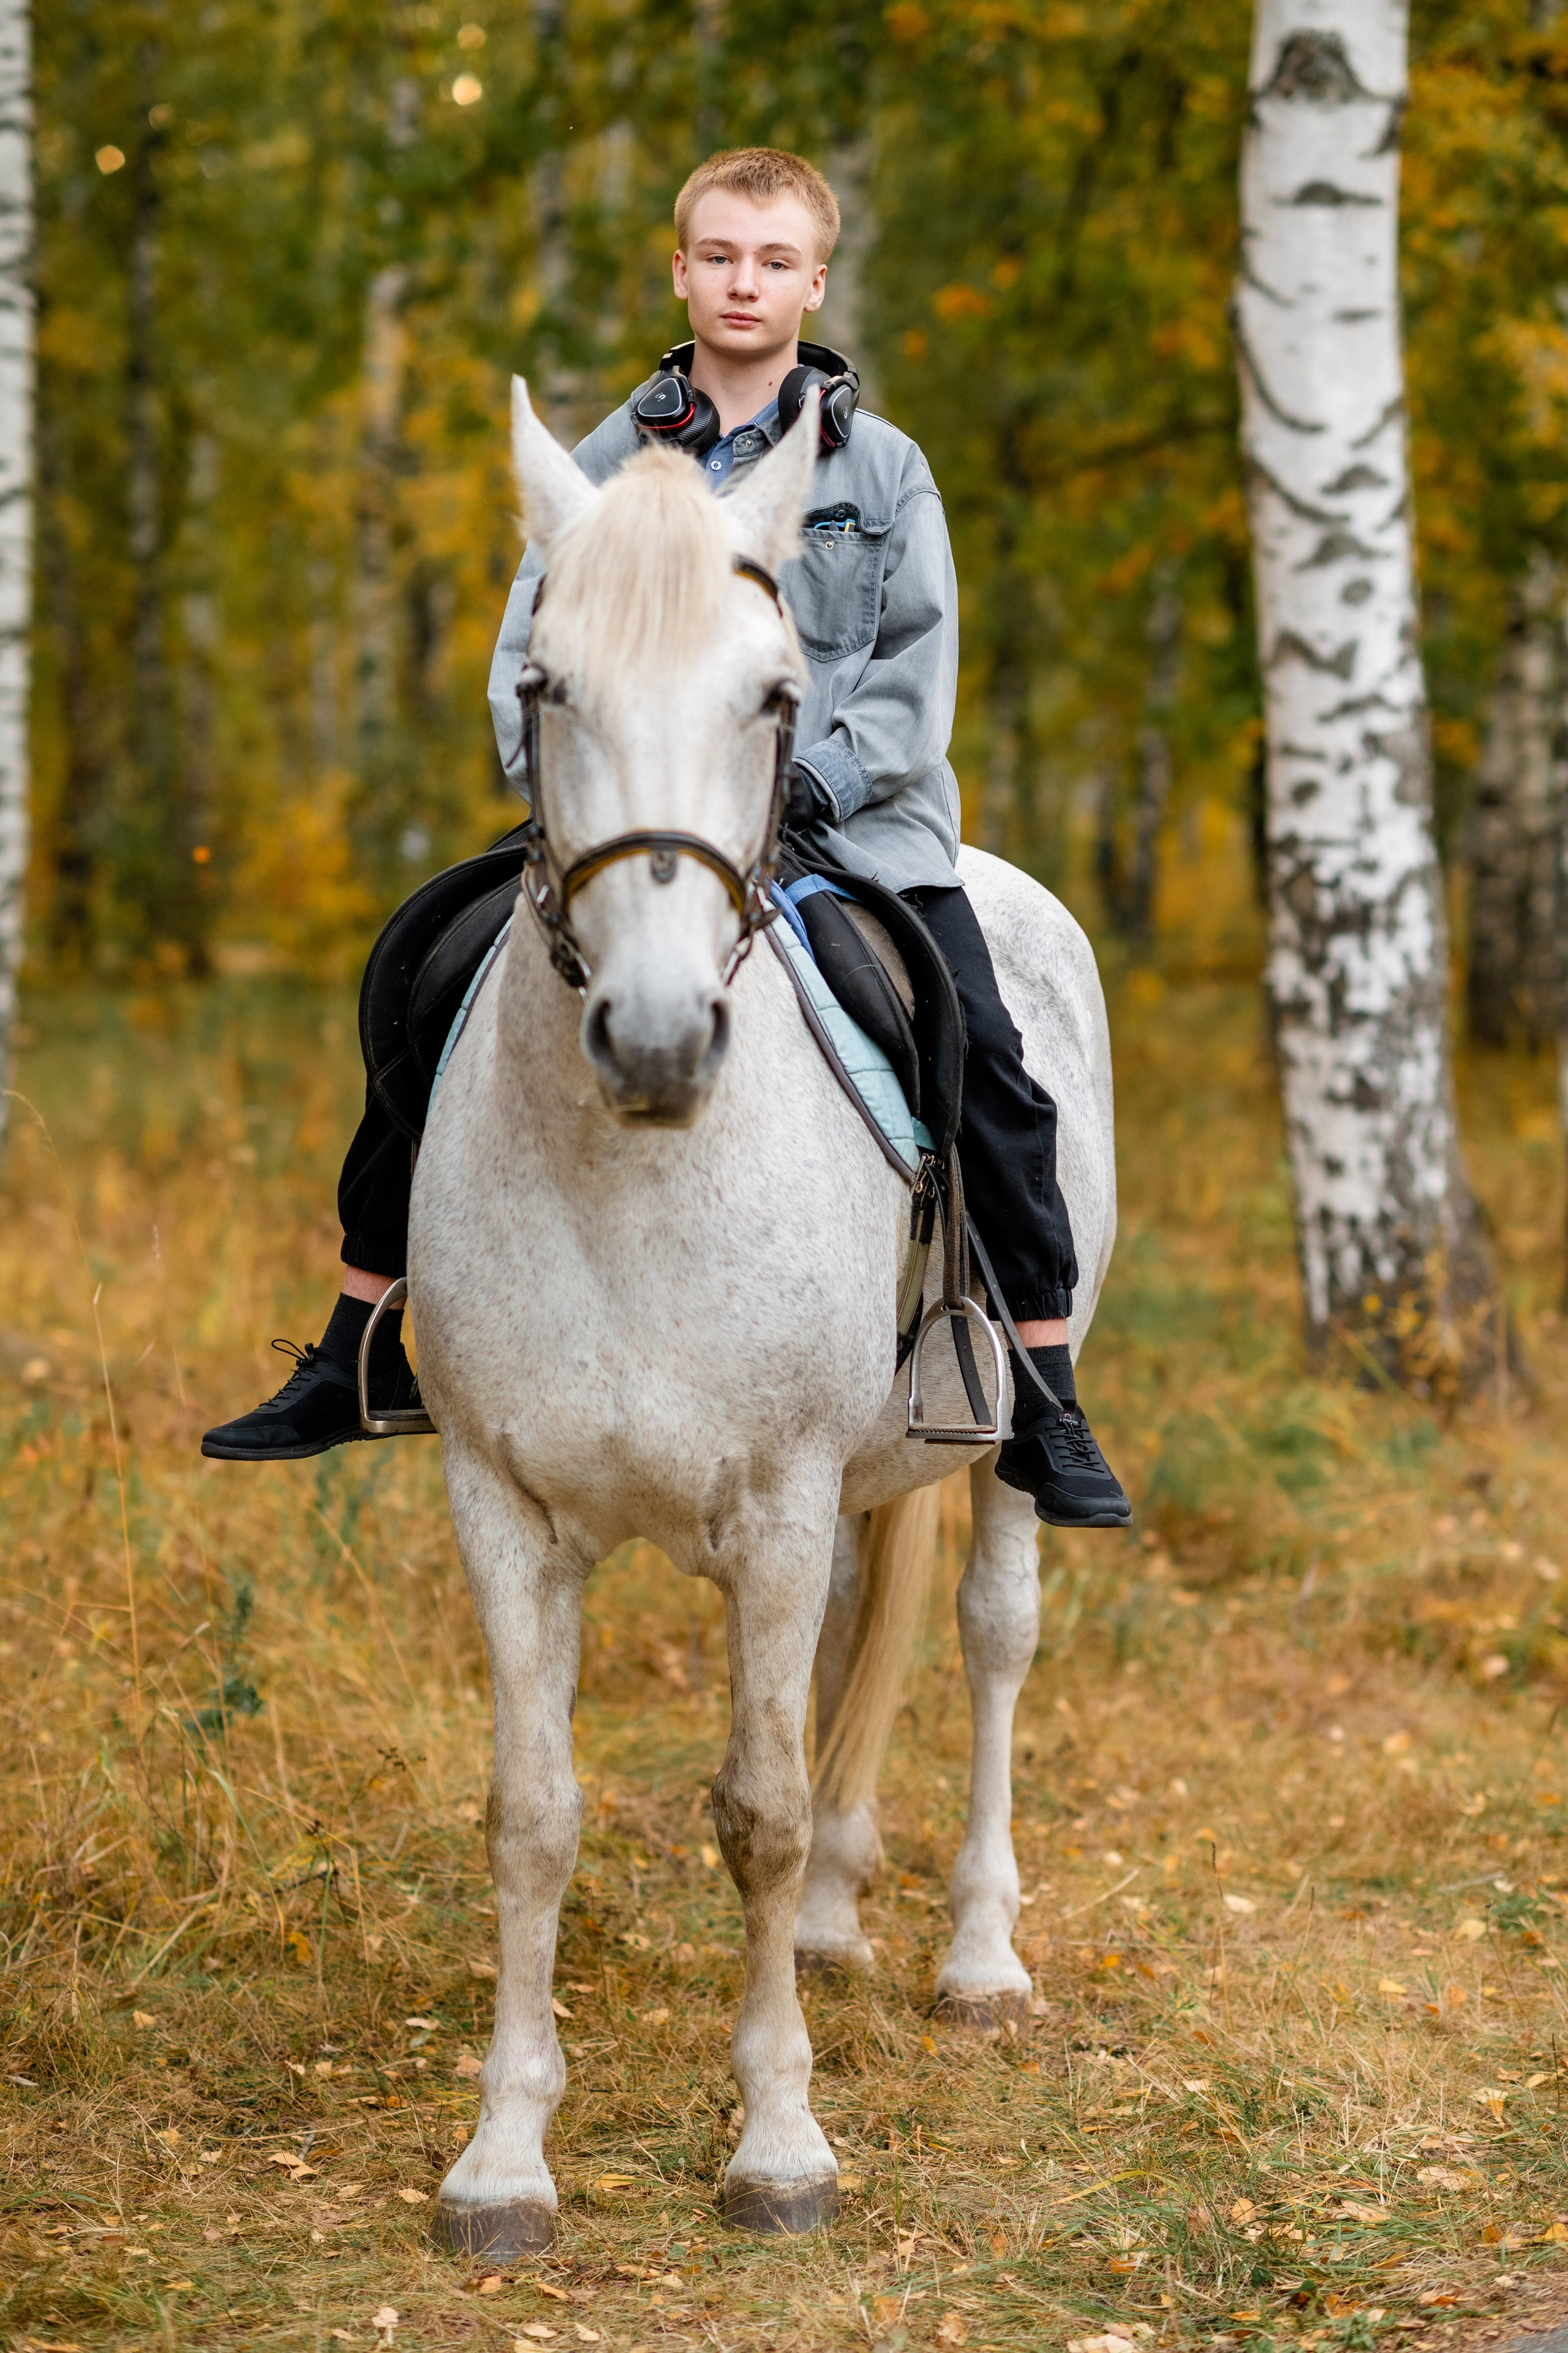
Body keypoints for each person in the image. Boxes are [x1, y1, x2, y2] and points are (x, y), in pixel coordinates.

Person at [202, 146, 1130, 1532]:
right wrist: (562, 786)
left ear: (814, 281)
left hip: (851, 828)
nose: (742, 282)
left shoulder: (881, 472)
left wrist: (810, 783)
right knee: (425, 977)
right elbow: (532, 639)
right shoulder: (602, 463)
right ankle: (357, 1341)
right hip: (638, 823)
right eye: (717, 255)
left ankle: (1039, 1392)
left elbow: (911, 672)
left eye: (772, 261)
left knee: (980, 1048)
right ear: (679, 268)